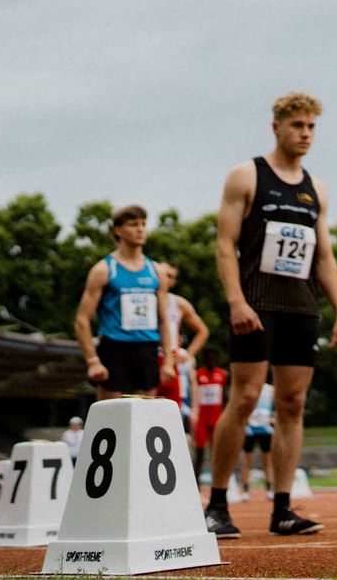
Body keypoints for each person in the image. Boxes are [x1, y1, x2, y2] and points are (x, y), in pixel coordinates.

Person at [202, 92, 337, 540]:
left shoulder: (316, 188)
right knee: (245, 398)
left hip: (300, 308)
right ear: (277, 127)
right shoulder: (247, 175)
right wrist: (236, 301)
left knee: (292, 404)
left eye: (311, 127)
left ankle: (283, 508)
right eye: (298, 126)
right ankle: (216, 504)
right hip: (256, 304)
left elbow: (324, 255)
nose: (305, 134)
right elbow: (224, 245)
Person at [73, 205, 176, 401]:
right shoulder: (103, 270)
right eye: (133, 224)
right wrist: (93, 360)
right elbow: (82, 320)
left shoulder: (156, 271)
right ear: (117, 230)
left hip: (147, 348)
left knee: (145, 417)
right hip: (115, 348)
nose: (140, 229)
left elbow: (164, 320)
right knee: (111, 417)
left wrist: (169, 362)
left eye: (144, 224)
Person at [155, 262, 212, 423]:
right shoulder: (144, 298)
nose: (166, 279)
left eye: (171, 277)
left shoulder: (178, 303)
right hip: (147, 358)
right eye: (164, 274)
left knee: (170, 414)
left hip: (169, 361)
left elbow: (203, 330)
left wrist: (188, 354)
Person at [191, 352, 229, 479]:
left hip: (217, 418)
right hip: (202, 418)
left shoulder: (222, 374)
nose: (211, 361)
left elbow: (225, 396)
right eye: (208, 358)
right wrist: (194, 411)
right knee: (200, 453)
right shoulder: (199, 375)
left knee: (218, 452)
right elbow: (194, 394)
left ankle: (219, 482)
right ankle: (196, 486)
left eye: (213, 358)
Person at [240, 381, 275, 494]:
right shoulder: (248, 387)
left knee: (267, 460)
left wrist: (274, 419)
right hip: (250, 429)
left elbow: (279, 405)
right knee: (247, 460)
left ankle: (269, 488)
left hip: (265, 429)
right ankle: (245, 489)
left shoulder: (270, 389)